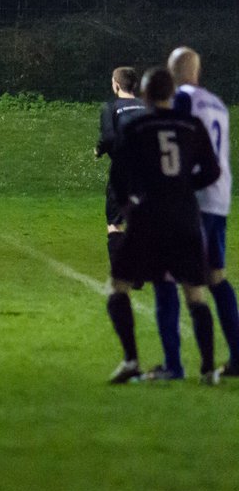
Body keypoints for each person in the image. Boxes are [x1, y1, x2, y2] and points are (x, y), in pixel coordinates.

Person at [106, 67, 222, 385]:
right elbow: (212, 172)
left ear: (145, 95)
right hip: (184, 216)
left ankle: (131, 359)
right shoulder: (191, 125)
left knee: (118, 288)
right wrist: (184, 187)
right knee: (195, 294)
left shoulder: (140, 126)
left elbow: (119, 175)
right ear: (172, 93)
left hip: (148, 217)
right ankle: (209, 368)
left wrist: (130, 205)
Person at [140, 47, 239, 381]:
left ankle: (173, 365)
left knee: (168, 276)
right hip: (220, 197)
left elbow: (175, 141)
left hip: (191, 199)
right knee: (216, 277)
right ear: (198, 70)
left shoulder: (181, 99)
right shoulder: (219, 104)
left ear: (171, 73)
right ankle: (236, 357)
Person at [95, 67, 148, 271]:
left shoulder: (111, 108)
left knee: (115, 223)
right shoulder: (147, 107)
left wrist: (98, 150)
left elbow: (108, 138)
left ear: (116, 84)